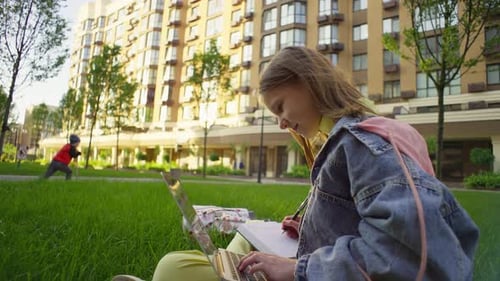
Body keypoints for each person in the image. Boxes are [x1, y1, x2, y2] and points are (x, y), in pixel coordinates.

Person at [113, 46, 479, 281]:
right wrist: (301, 226)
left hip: (315, 271)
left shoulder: (363, 144)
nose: (282, 123)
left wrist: (296, 269)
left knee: (172, 268)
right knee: (235, 246)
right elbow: (356, 218)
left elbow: (410, 257)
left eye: (280, 107)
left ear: (308, 84)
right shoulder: (342, 142)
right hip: (313, 260)